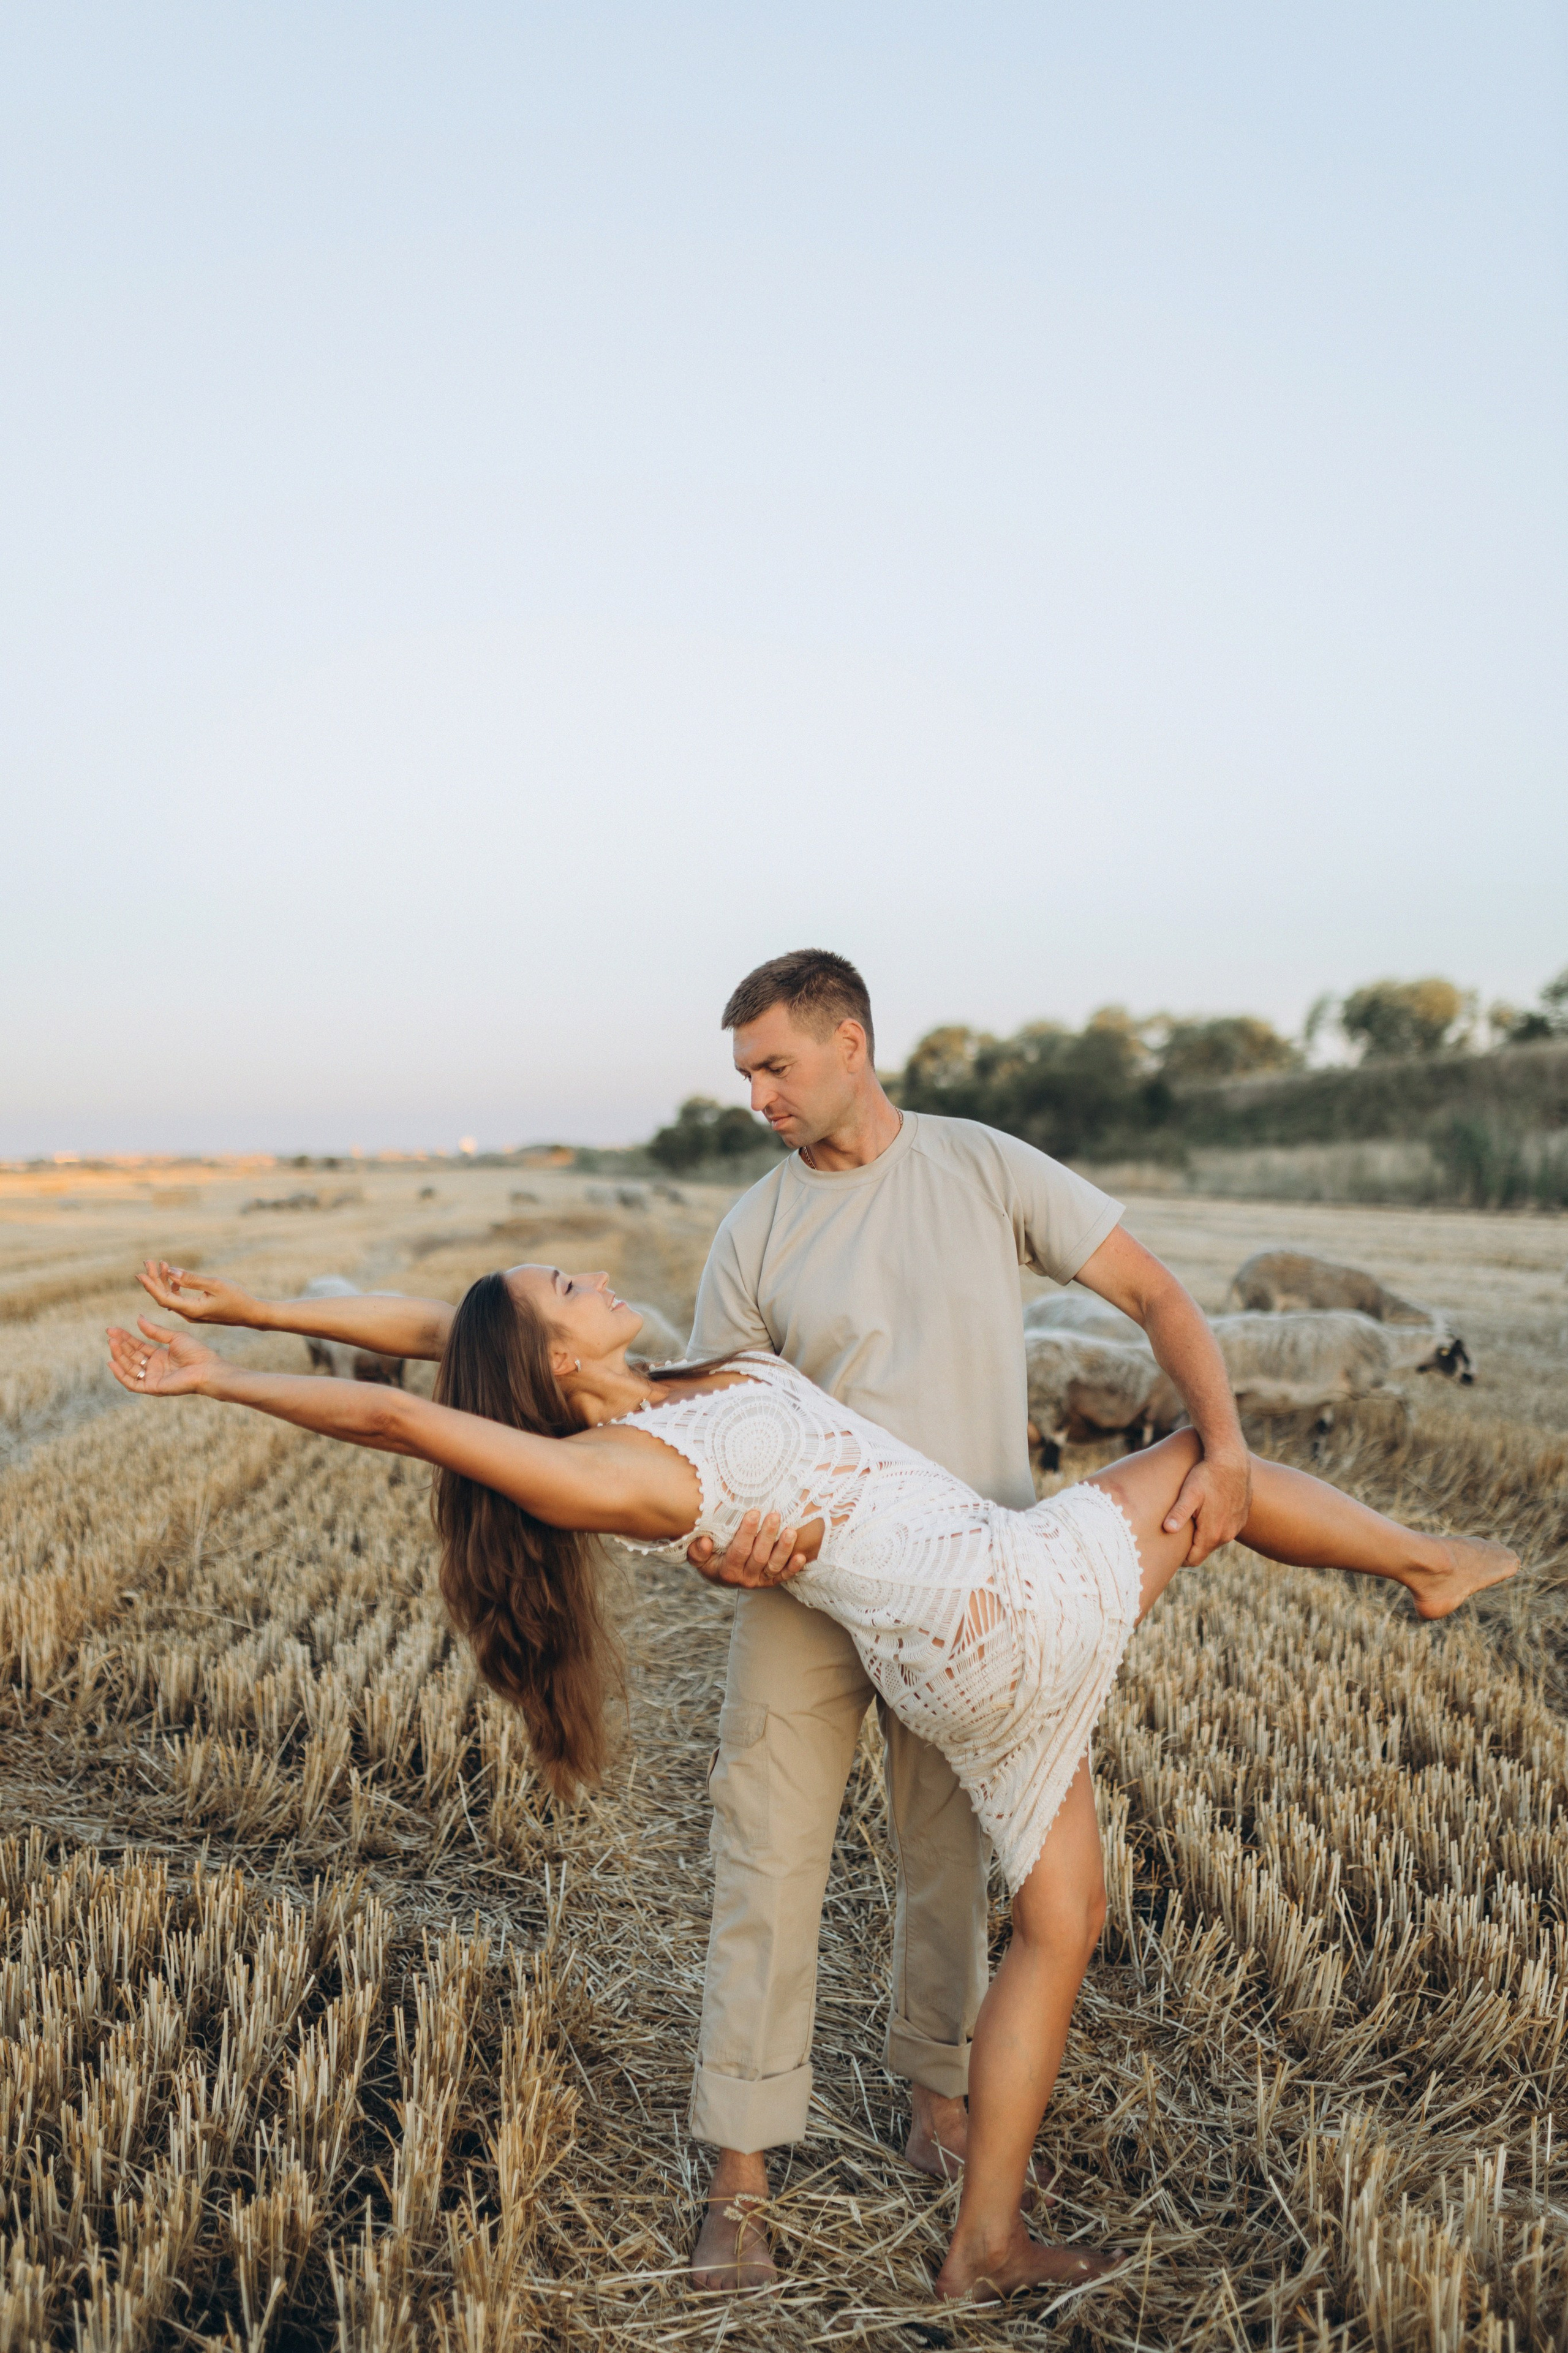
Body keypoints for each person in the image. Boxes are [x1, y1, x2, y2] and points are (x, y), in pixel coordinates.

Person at [113, 1257, 1515, 2298]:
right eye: (564, 1284)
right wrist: (221, 1381)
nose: (589, 1273)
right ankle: (1426, 1562)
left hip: (956, 1653)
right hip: (997, 1602)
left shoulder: (670, 1381)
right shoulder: (616, 1467)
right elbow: (415, 1418)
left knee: (1059, 1924)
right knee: (1217, 1468)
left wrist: (240, 1306)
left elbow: (445, 1334)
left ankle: (981, 2243)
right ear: (546, 1362)